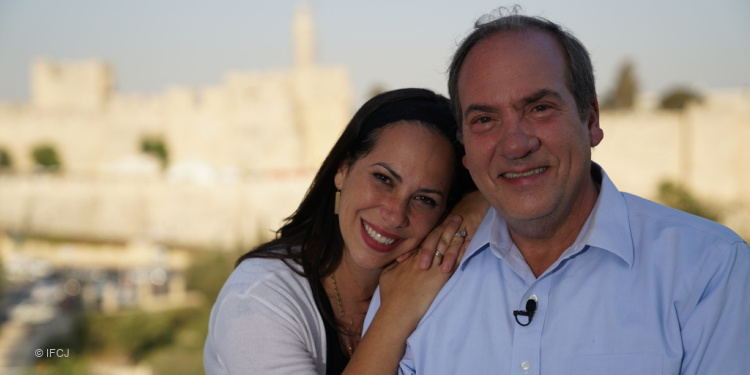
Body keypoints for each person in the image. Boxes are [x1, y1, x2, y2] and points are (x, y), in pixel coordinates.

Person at [364, 8, 750, 374]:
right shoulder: (414, 285)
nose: (515, 145)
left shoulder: (708, 270)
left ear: (592, 119)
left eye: (540, 109)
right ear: (464, 147)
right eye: (484, 119)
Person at [203, 88, 487, 375]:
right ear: (343, 169)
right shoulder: (258, 299)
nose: (394, 214)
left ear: (444, 212)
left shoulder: (448, 282)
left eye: (425, 199)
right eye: (383, 179)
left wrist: (482, 201)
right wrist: (398, 310)